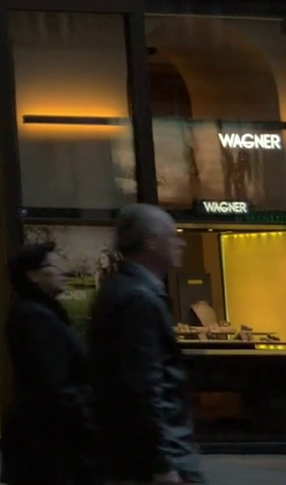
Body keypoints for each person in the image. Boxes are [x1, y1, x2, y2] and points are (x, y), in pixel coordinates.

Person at [91, 204, 201, 485]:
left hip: (133, 450)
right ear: (151, 242)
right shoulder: (139, 297)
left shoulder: (123, 289)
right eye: (172, 236)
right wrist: (160, 462)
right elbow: (144, 385)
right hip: (158, 452)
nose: (181, 243)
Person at [1, 241, 91, 485]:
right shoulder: (36, 317)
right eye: (54, 266)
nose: (63, 271)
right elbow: (52, 383)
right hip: (47, 442)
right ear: (32, 275)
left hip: (45, 440)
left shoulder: (42, 312)